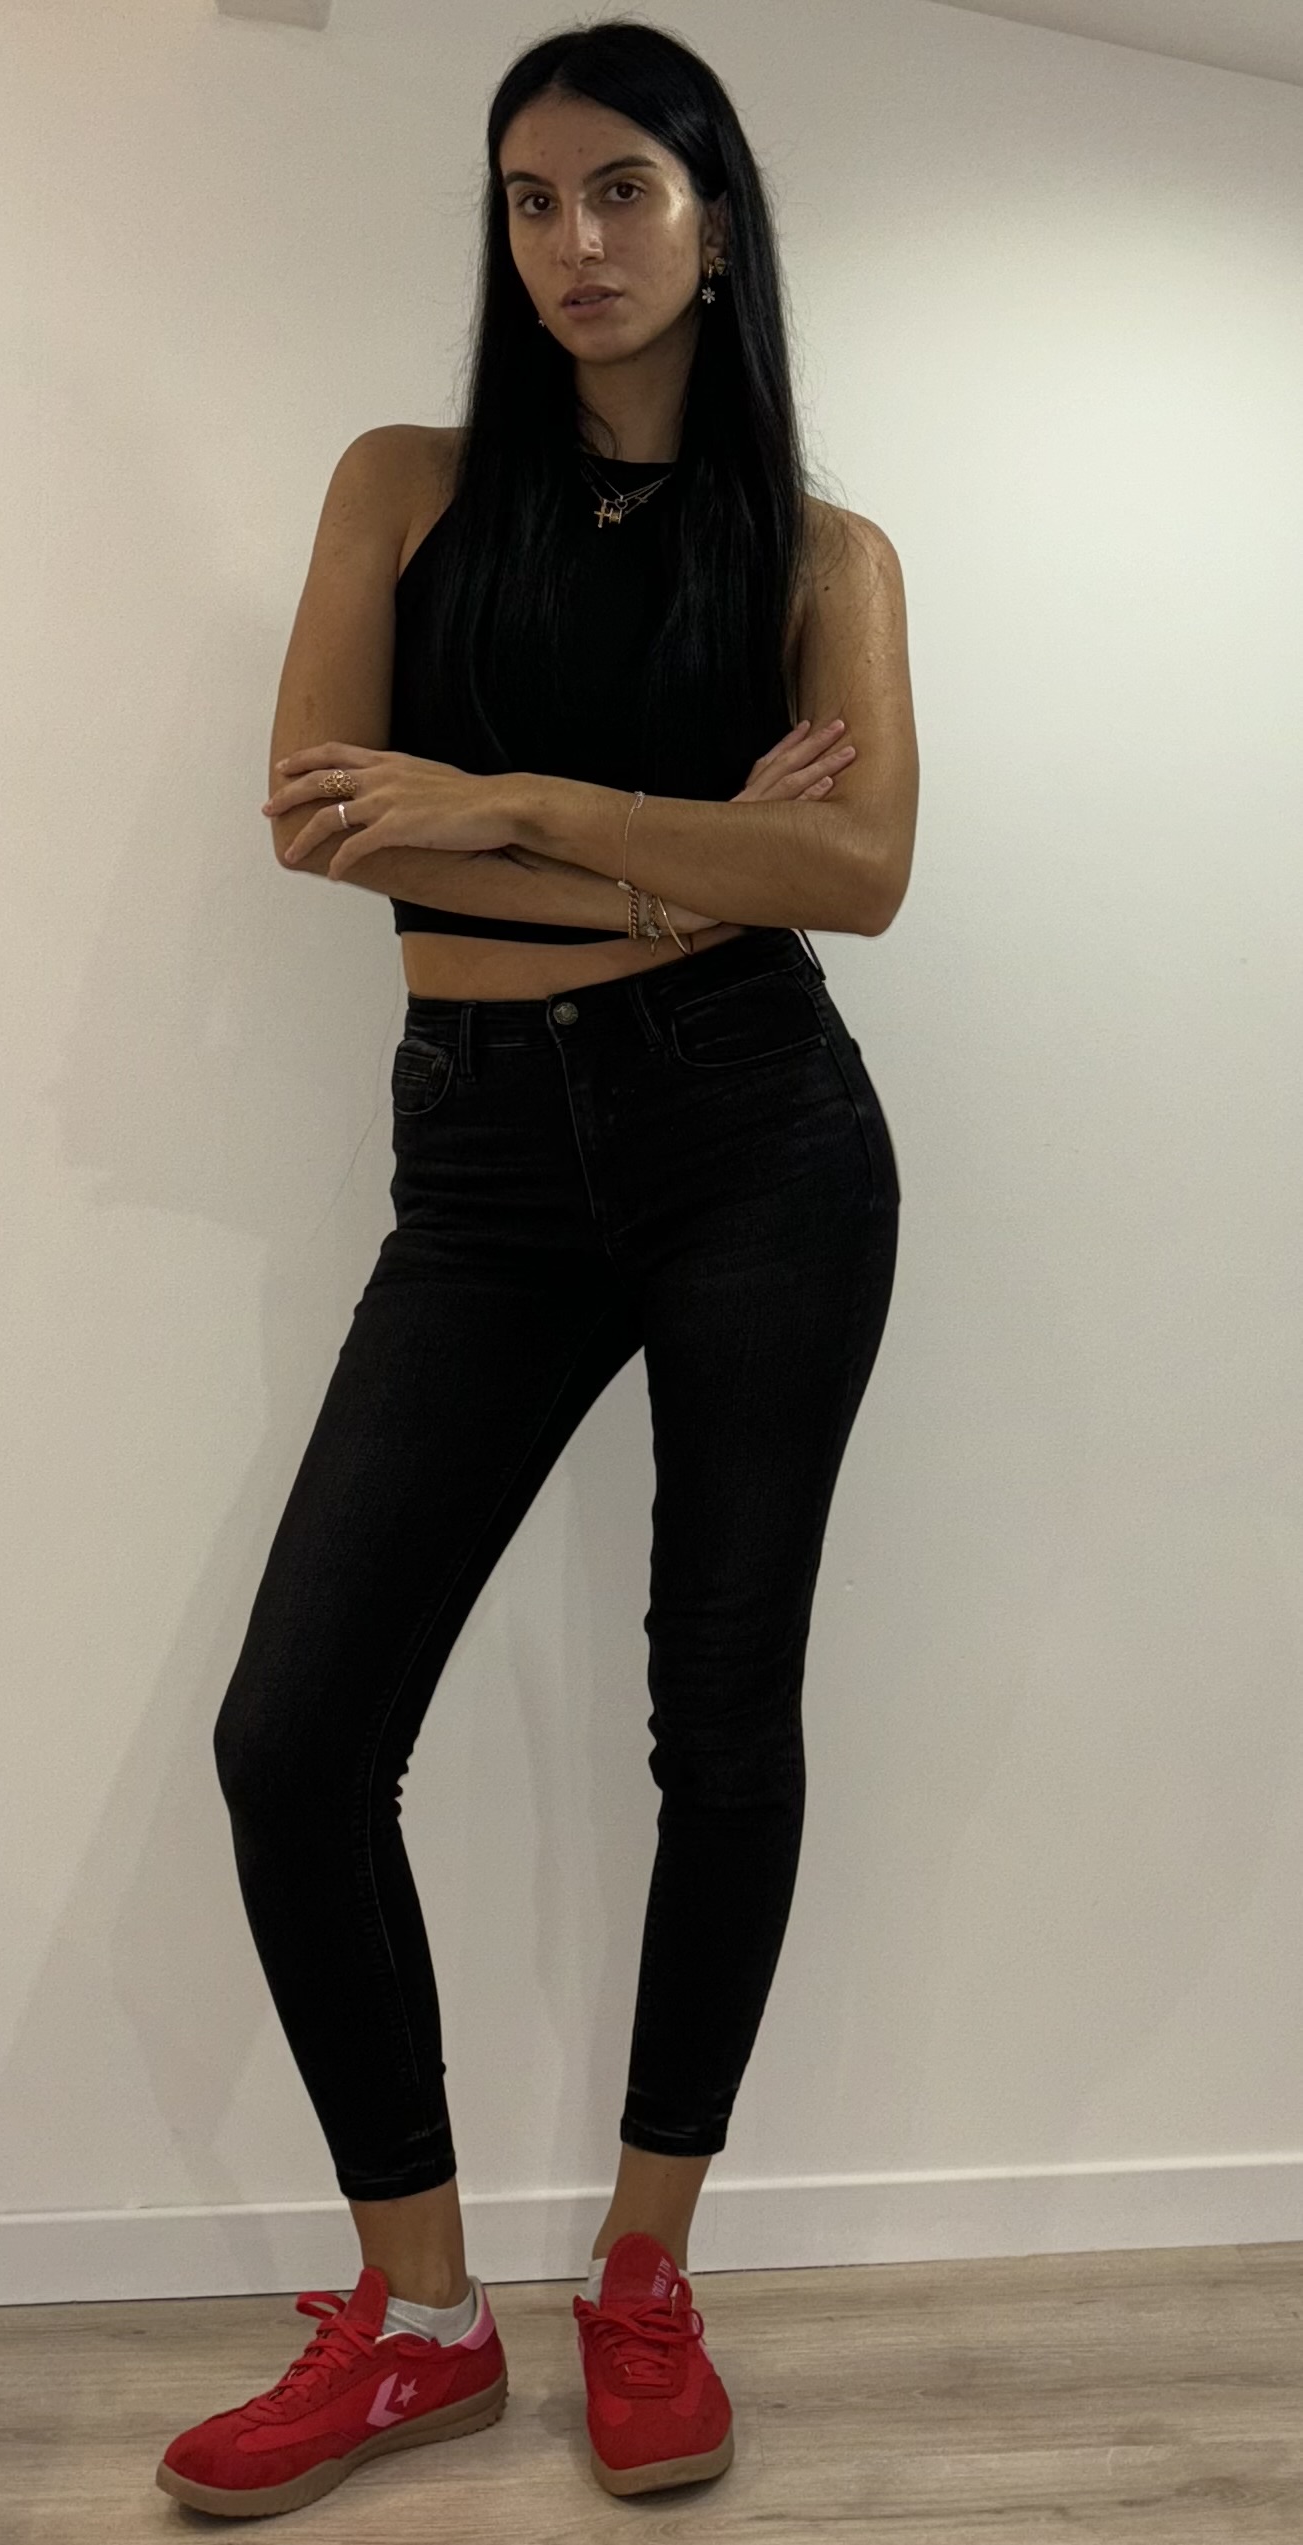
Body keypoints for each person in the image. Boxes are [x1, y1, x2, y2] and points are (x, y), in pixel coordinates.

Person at [157, 15, 917, 2520]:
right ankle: (419, 2316)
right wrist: (677, 856)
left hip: (759, 1143)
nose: (570, 243)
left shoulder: (818, 555)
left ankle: (646, 2269)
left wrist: (497, 797)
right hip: (482, 1159)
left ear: (713, 219)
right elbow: (315, 818)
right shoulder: (400, 486)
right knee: (294, 1735)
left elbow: (856, 873)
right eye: (526, 199)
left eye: (618, 192)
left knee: (722, 1708)